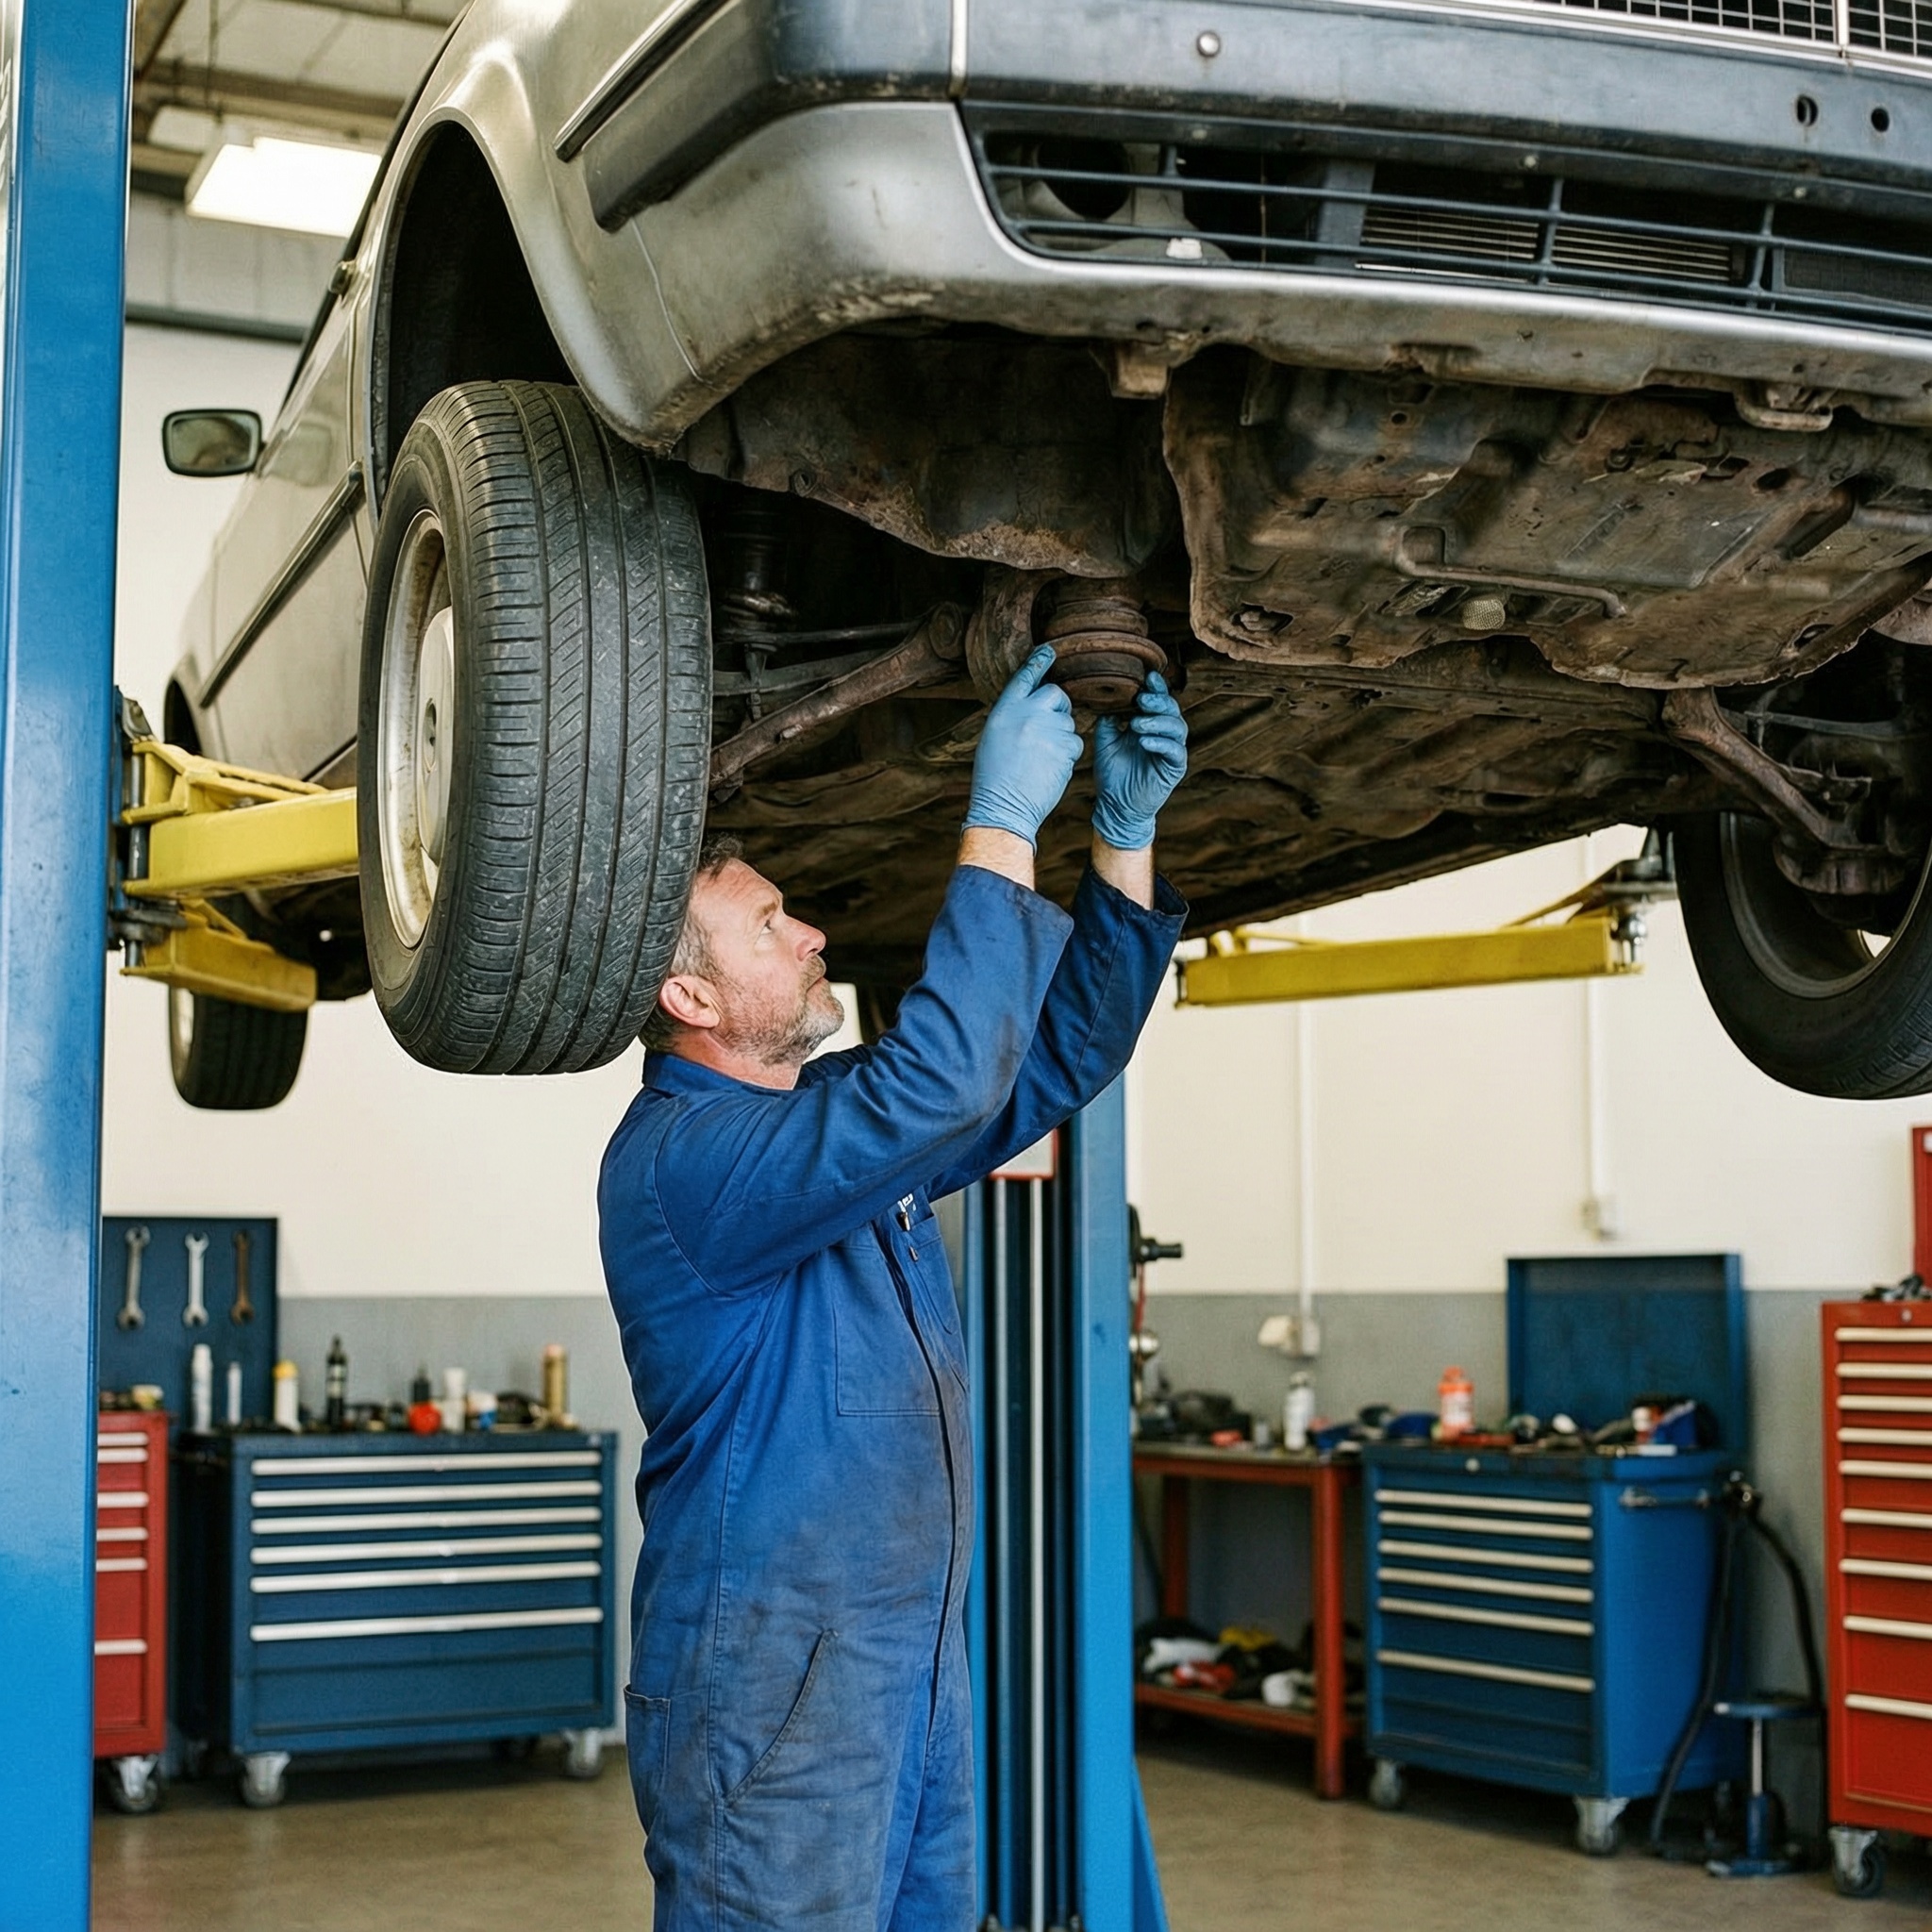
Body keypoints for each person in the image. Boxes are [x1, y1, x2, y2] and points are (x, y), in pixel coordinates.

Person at [598, 644, 1189, 1931]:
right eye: (772, 926)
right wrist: (999, 823)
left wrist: (1123, 844)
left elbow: (1047, 1062)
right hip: (772, 1693)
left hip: (903, 1665)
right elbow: (944, 1086)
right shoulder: (687, 1165)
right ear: (689, 995)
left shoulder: (824, 1130)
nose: (813, 932)